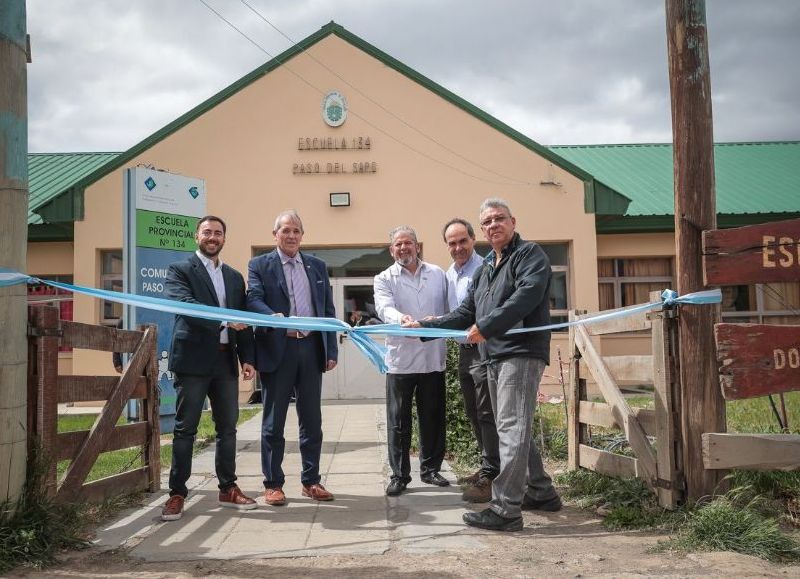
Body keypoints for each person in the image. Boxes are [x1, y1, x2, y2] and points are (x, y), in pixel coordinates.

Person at [404, 199, 561, 532]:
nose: (493, 225)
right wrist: (427, 327)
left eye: (498, 219)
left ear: (512, 221)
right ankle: (541, 492)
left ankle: (505, 510)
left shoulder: (529, 255)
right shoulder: (487, 267)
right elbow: (465, 312)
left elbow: (527, 296)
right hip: (493, 355)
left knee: (510, 429)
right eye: (487, 221)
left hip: (520, 352)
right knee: (517, 428)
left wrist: (486, 327)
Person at [161, 215, 257, 521]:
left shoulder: (233, 276)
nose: (212, 237)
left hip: (225, 359)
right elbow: (187, 306)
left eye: (218, 233)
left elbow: (243, 321)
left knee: (228, 428)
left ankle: (228, 487)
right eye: (207, 232)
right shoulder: (180, 270)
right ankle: (177, 493)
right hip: (192, 360)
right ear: (196, 236)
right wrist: (226, 320)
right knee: (185, 428)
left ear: (224, 239)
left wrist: (248, 358)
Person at [247, 210, 338, 506]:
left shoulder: (317, 266)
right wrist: (269, 316)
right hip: (279, 350)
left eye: (296, 230)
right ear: (275, 234)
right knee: (274, 421)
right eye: (285, 230)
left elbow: (327, 309)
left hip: (311, 348)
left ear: (302, 235)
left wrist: (331, 349)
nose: (291, 235)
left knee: (312, 420)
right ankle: (273, 484)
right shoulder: (260, 264)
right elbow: (253, 298)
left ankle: (311, 481)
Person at [374, 226, 449, 496]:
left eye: (408, 243)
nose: (403, 248)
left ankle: (430, 470)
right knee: (398, 420)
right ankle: (399, 475)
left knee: (433, 416)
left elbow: (450, 308)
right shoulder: (384, 278)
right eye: (398, 245)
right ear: (391, 250)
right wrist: (400, 318)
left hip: (433, 358)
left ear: (417, 246)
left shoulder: (438, 274)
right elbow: (384, 307)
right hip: (400, 361)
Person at [442, 218, 500, 504]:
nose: (458, 247)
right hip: (464, 352)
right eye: (451, 243)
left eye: (462, 241)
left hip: (485, 349)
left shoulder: (485, 268)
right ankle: (488, 466)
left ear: (473, 239)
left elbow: (473, 312)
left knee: (487, 411)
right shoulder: (449, 274)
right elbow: (454, 314)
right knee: (474, 412)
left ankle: (492, 475)